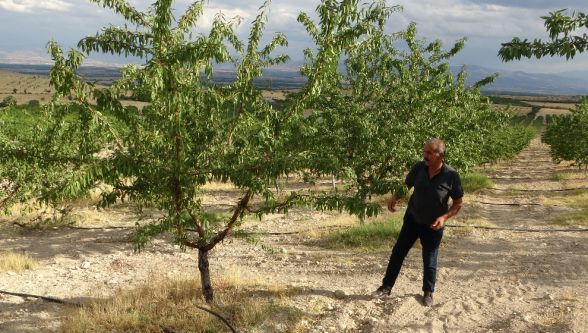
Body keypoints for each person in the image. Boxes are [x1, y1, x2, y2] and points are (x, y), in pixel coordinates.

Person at [373, 138, 463, 306]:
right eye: (424, 151)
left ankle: (428, 292)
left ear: (441, 155)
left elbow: (458, 203)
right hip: (412, 220)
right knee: (398, 253)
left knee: (429, 259)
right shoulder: (419, 168)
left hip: (433, 225)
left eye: (430, 153)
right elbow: (406, 185)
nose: (425, 155)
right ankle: (386, 287)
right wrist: (395, 197)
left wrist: (444, 217)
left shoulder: (451, 176)